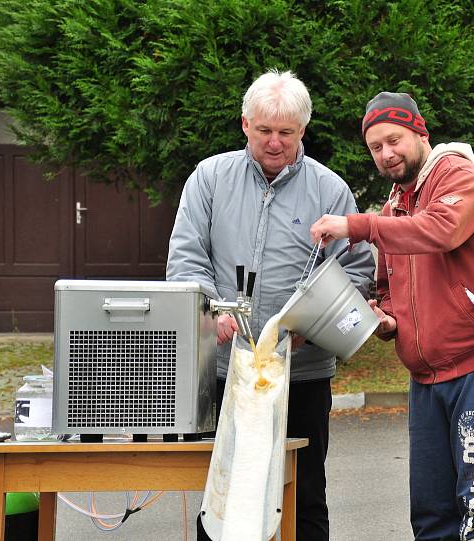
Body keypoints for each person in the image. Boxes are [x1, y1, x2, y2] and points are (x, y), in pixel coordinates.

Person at [166, 69, 375, 541]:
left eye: (286, 132)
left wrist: (313, 326)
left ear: (303, 130)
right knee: (221, 493)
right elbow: (186, 257)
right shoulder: (210, 178)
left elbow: (358, 273)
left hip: (300, 373)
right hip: (221, 368)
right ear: (245, 124)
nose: (274, 142)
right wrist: (211, 309)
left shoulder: (330, 189)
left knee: (303, 493)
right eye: (264, 131)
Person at [310, 92, 474, 540]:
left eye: (395, 139)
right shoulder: (394, 205)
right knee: (431, 516)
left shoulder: (459, 175)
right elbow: (390, 286)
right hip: (426, 377)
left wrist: (357, 225)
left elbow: (440, 231)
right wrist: (387, 320)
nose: (387, 153)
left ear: (420, 132)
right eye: (376, 147)